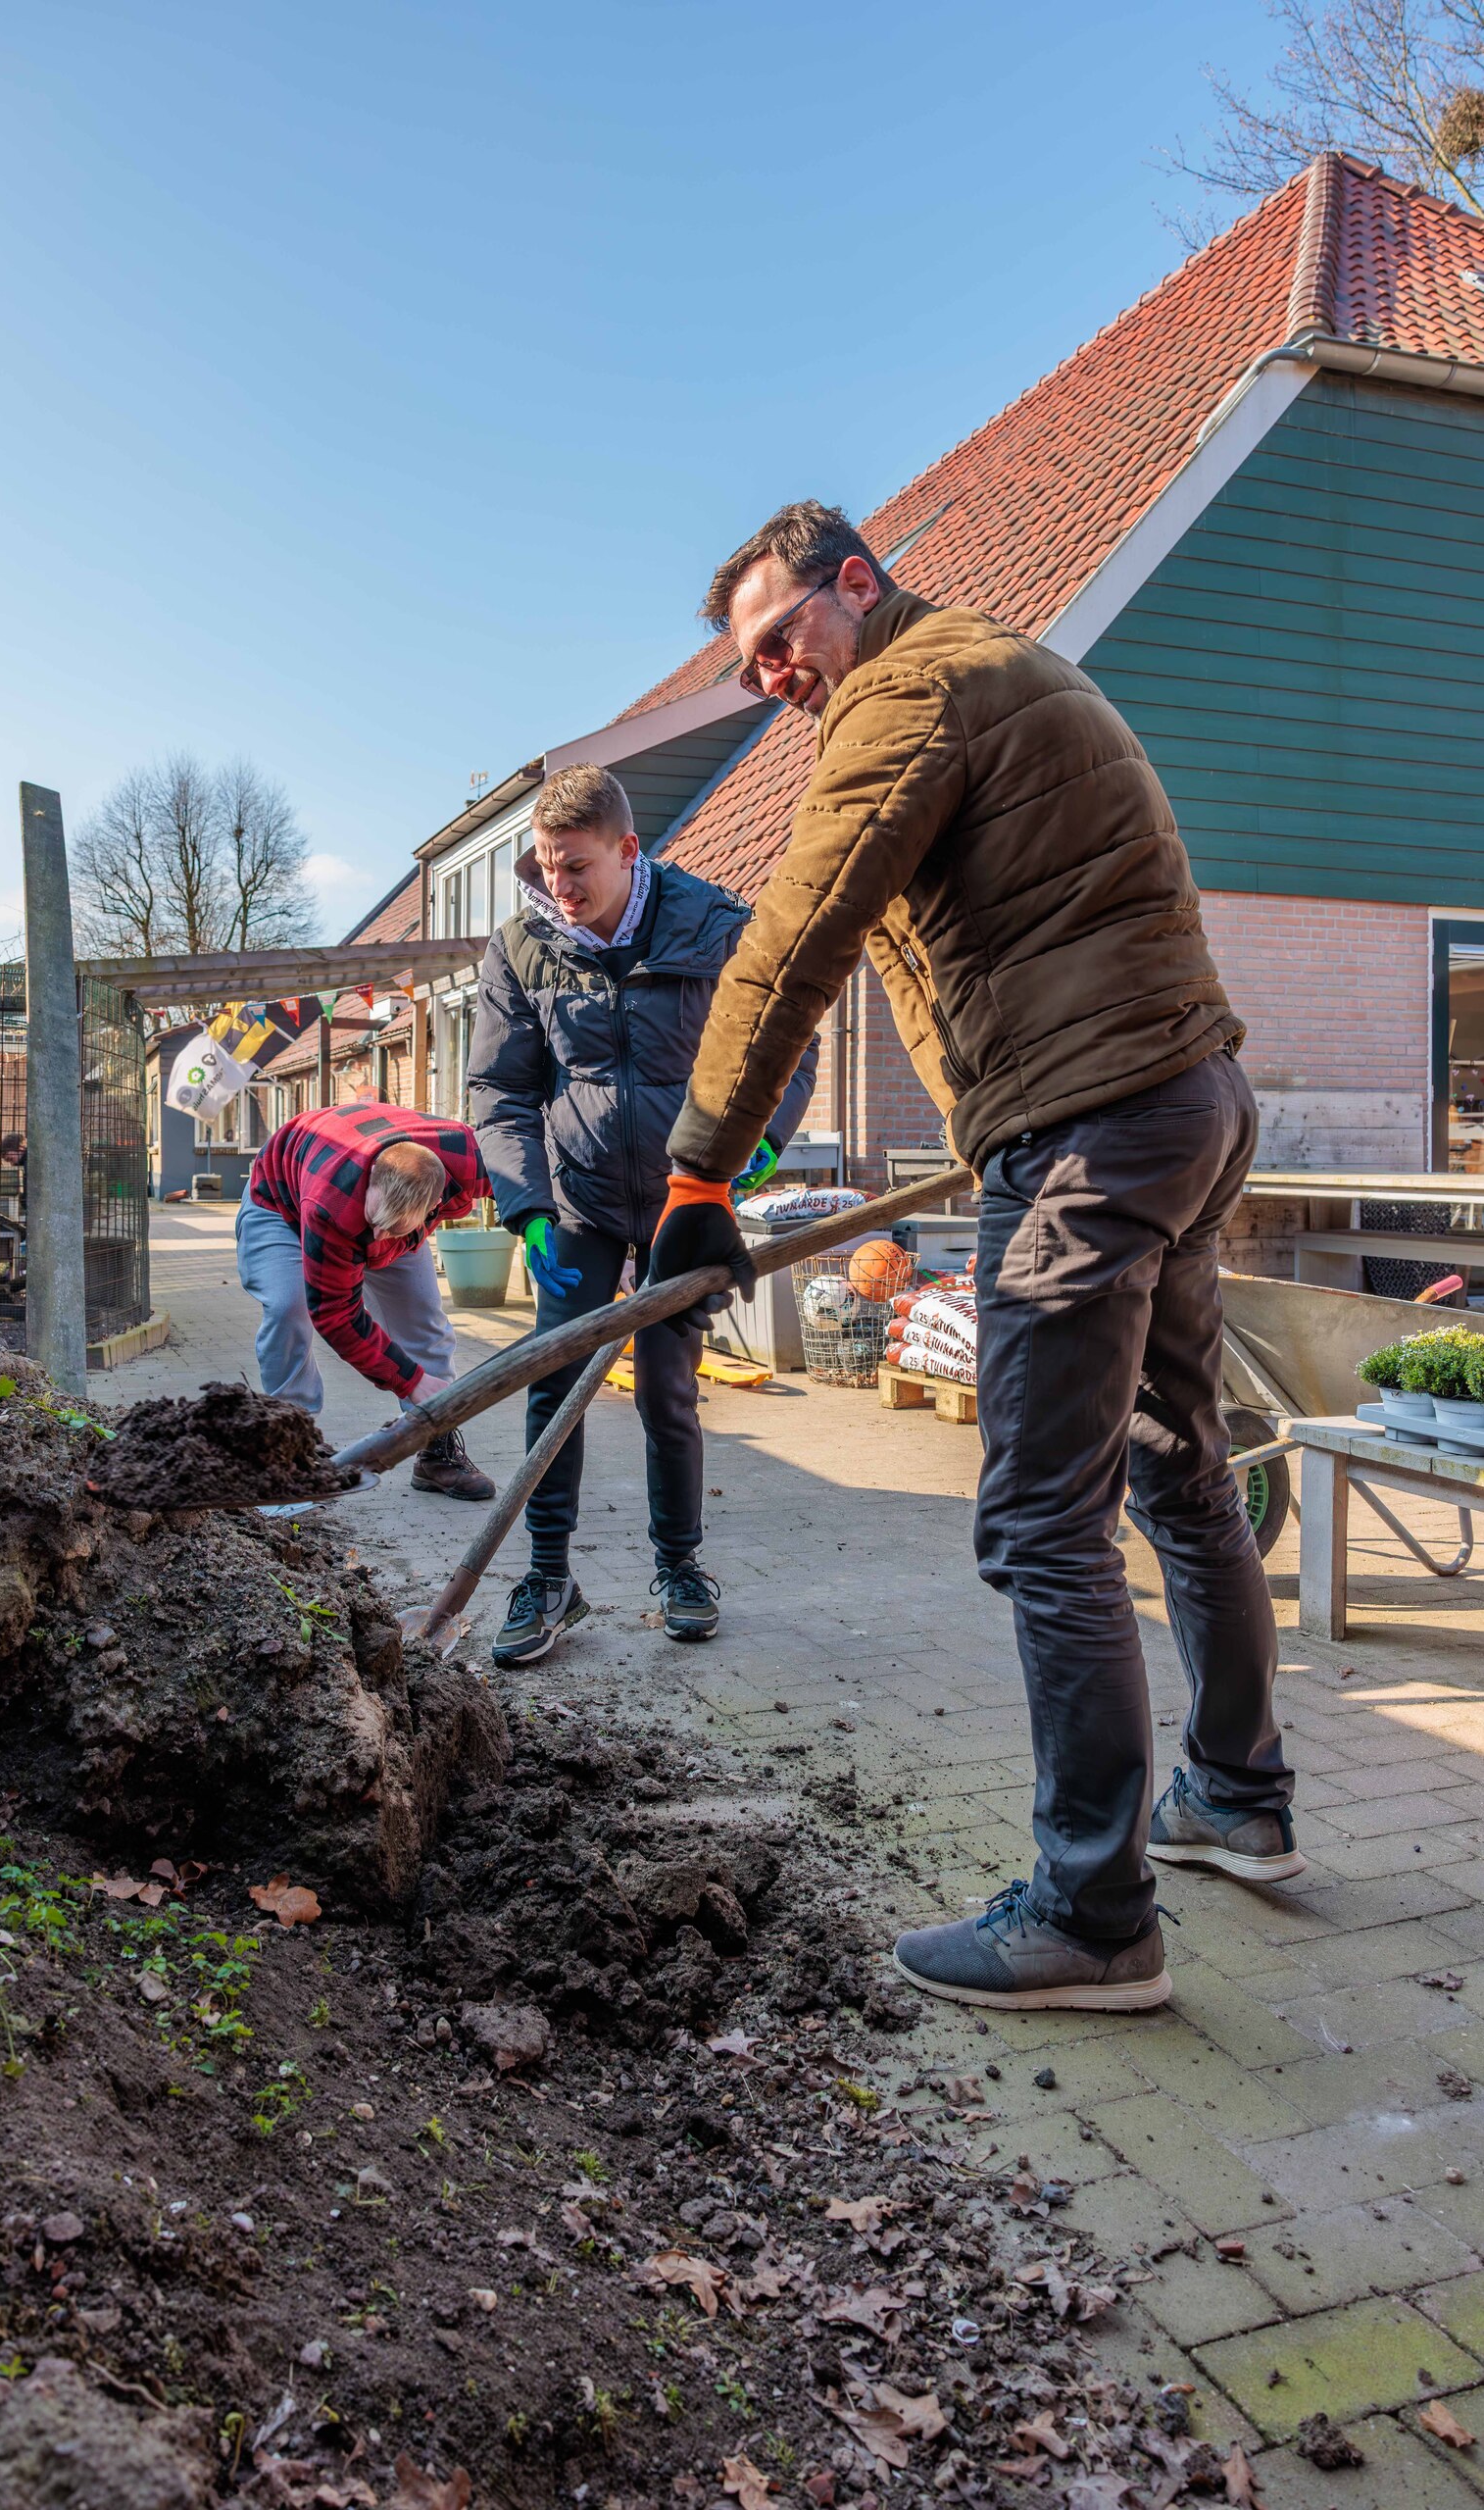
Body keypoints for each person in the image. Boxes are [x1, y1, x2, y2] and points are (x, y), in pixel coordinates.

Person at [648, 500, 1296, 2016]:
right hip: (1186, 1099)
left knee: (1042, 1519)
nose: (768, 681)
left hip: (1088, 1128)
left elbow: (798, 934)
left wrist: (699, 1165)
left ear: (853, 586)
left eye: (778, 641)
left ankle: (1092, 1909)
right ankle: (1237, 1796)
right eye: (746, 667)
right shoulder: (1010, 669)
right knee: (1178, 1466)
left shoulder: (906, 687)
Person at [469, 763, 817, 1664]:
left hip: (684, 1203)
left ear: (629, 850)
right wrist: (525, 1207)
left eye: (577, 866)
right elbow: (500, 1089)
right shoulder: (521, 946)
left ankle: (680, 1568)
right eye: (546, 868)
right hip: (578, 1203)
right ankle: (548, 1575)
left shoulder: (717, 928)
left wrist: (751, 1160)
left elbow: (786, 1052)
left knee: (668, 1389)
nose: (561, 887)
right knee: (554, 1384)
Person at [236, 1099, 495, 1500]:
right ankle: (290, 1448)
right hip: (281, 1204)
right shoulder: (332, 1204)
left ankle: (435, 1451)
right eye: (376, 1225)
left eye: (393, 1230)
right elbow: (337, 1316)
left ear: (435, 1203)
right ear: (374, 1175)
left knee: (422, 1317)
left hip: (385, 1208)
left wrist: (601, 1247)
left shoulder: (469, 1156)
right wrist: (410, 1381)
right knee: (291, 1307)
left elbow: (536, 1180)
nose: (377, 1240)